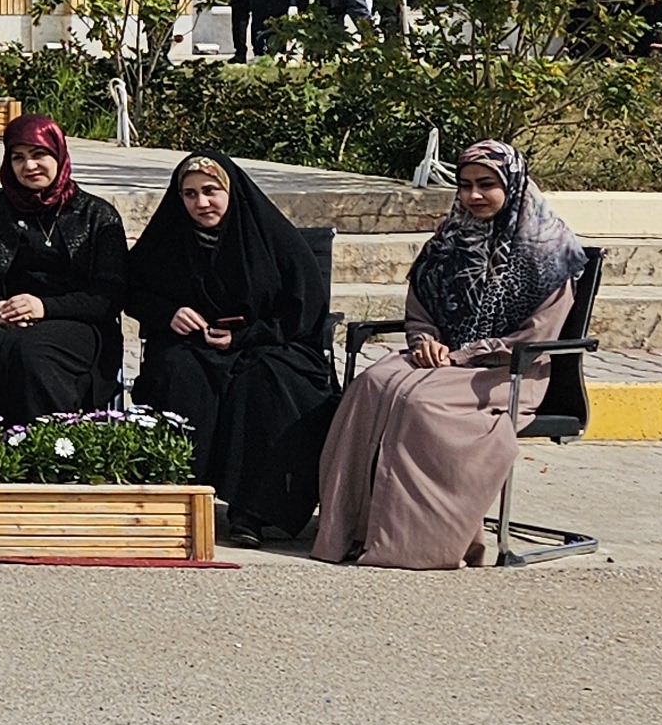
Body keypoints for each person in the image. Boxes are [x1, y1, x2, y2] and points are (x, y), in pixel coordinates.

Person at [314, 140, 584, 569]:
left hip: (508, 371)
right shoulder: (447, 243)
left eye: (487, 184)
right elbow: (420, 311)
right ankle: (353, 530)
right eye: (465, 185)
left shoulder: (549, 253)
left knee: (422, 403)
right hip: (442, 361)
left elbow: (537, 335)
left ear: (513, 185)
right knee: (372, 384)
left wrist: (464, 354)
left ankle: (415, 540)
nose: (474, 195)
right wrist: (424, 340)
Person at [129, 147, 343, 547]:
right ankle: (181, 494)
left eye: (211, 191)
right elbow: (131, 290)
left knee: (265, 383)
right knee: (178, 374)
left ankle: (252, 511)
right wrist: (168, 313)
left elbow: (304, 310)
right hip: (192, 344)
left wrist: (244, 336)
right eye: (190, 194)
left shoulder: (274, 240)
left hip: (269, 342)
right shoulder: (168, 239)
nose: (201, 203)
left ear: (231, 192)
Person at [0, 114, 131, 419]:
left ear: (59, 155)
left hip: (73, 322)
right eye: (18, 157)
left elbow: (108, 294)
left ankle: (45, 444)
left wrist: (43, 307)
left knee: (31, 352)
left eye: (39, 154)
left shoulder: (96, 215)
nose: (29, 166)